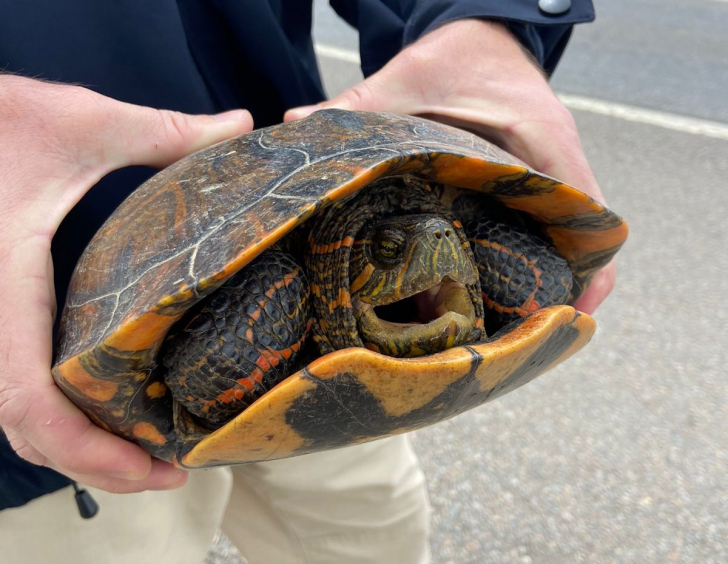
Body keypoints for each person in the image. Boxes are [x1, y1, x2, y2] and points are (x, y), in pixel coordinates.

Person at [0, 1, 614, 563]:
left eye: (447, 244)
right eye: (394, 249)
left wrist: (481, 14)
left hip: (355, 380)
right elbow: (195, 375)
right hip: (36, 339)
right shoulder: (292, 290)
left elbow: (532, 274)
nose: (440, 249)